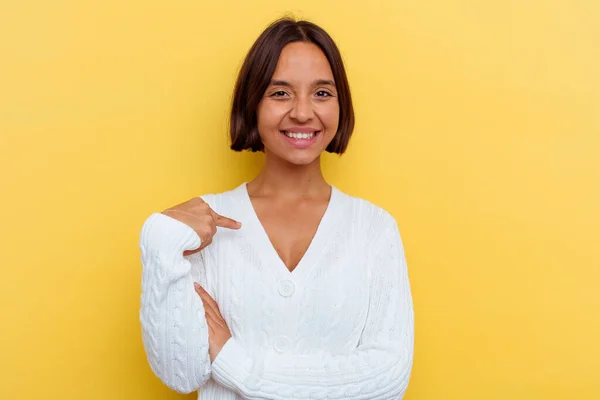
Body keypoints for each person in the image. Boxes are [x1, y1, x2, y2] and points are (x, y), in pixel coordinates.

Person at [139, 16, 414, 400]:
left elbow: (387, 380)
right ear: (252, 103)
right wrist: (159, 242)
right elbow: (181, 373)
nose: (303, 113)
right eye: (280, 93)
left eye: (322, 93)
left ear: (341, 104)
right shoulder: (203, 226)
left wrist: (238, 367)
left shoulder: (374, 228)